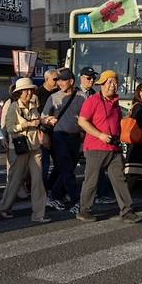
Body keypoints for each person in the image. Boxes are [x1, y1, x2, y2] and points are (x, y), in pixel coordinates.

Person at [76, 70, 141, 223]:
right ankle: (84, 211)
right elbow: (82, 121)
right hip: (95, 147)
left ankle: (127, 211)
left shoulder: (116, 103)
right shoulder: (92, 100)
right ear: (102, 84)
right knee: (91, 181)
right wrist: (100, 135)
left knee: (120, 180)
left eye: (115, 81)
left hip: (114, 148)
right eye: (109, 82)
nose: (113, 85)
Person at [0, 77, 50, 223]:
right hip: (19, 148)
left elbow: (37, 121)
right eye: (25, 90)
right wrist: (27, 124)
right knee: (15, 179)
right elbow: (10, 128)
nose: (28, 92)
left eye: (30, 90)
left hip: (34, 147)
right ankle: (4, 207)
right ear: (19, 93)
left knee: (38, 181)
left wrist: (43, 121)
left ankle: (39, 214)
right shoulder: (13, 106)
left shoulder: (34, 105)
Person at [42, 68, 85, 214]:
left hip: (76, 137)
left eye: (62, 80)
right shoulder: (53, 97)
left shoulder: (82, 97)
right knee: (67, 169)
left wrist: (83, 138)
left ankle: (53, 194)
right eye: (57, 80)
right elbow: (43, 118)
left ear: (71, 81)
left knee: (66, 169)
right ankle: (76, 200)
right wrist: (48, 124)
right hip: (58, 136)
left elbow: (86, 118)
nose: (59, 83)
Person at [78, 66, 115, 205]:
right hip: (77, 135)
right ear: (81, 78)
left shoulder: (96, 94)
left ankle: (102, 195)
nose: (91, 80)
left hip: (95, 139)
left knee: (99, 172)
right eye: (88, 78)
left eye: (93, 78)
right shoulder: (75, 94)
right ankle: (80, 203)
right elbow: (80, 119)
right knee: (72, 170)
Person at [36, 68, 60, 187]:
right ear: (46, 79)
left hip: (57, 132)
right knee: (44, 164)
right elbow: (35, 115)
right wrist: (42, 132)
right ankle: (42, 189)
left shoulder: (59, 93)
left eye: (59, 79)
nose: (57, 82)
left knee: (60, 163)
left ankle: (52, 186)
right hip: (42, 132)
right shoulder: (38, 93)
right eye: (55, 79)